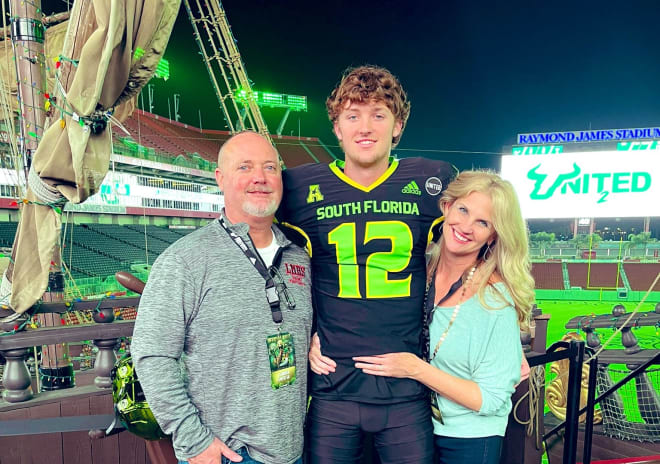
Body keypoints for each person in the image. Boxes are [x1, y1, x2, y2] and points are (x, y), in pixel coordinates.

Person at [277, 65, 455, 463]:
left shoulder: (432, 182)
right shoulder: (301, 189)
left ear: (398, 126)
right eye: (352, 115)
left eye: (378, 114)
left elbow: (480, 251)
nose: (365, 127)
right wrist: (301, 331)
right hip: (332, 388)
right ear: (337, 128)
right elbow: (271, 266)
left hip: (406, 389)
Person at [131, 131, 313, 464]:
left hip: (292, 449)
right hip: (228, 453)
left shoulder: (299, 257)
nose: (260, 178)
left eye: (270, 168)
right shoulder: (185, 259)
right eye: (245, 167)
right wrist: (194, 440)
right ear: (221, 178)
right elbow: (151, 353)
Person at [353, 170, 536, 464]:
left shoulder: (495, 301)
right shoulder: (415, 271)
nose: (465, 226)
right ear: (447, 206)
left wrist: (416, 369)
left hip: (470, 438)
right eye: (463, 209)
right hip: (413, 426)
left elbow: (490, 399)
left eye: (483, 222)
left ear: (493, 235)